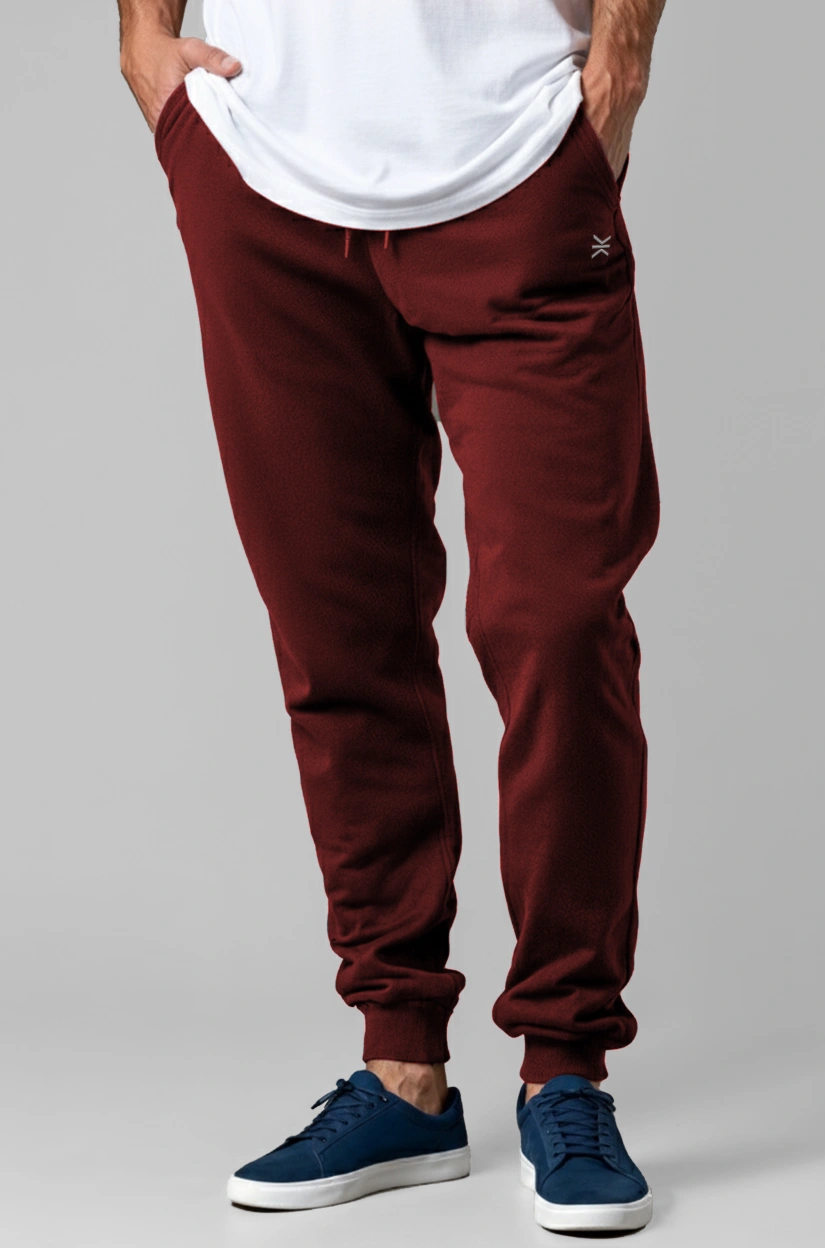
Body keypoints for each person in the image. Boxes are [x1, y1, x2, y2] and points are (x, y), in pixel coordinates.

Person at [119, 0, 666, 1233]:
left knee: (560, 617)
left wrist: (623, 51)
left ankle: (565, 1065)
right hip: (263, 170)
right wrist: (143, 42)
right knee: (338, 631)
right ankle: (402, 1061)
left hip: (519, 156)